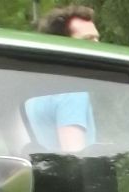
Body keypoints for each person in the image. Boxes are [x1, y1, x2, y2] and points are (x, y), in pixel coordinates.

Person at [29, 6, 100, 150]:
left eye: (97, 39)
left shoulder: (35, 92)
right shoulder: (72, 91)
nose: (98, 46)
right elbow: (74, 159)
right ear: (63, 44)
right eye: (88, 40)